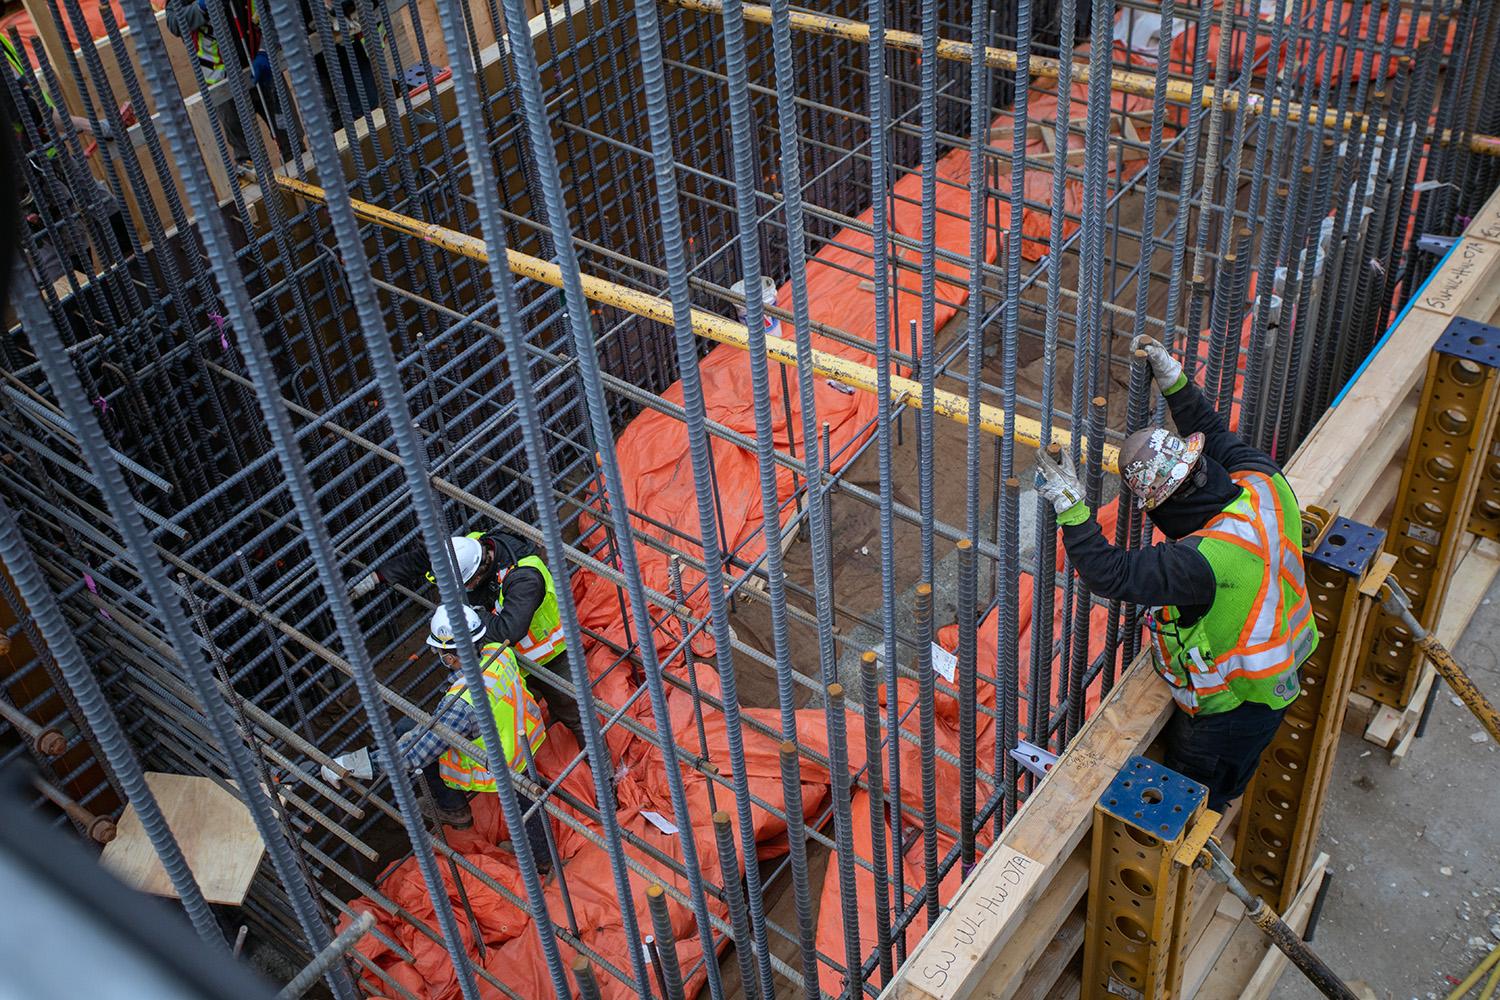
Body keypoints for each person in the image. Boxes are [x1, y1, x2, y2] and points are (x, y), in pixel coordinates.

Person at [1032, 334, 1318, 812]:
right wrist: (1174, 380)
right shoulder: (1262, 482)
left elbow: (1110, 573)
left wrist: (1070, 507)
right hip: (1290, 657)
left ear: (1167, 508)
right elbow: (1214, 431)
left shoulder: (1202, 560)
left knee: (1192, 801)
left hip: (1234, 703)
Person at [322, 605, 552, 866]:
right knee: (528, 805)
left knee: (520, 804)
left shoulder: (461, 705)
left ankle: (457, 811)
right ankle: (541, 858)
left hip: (500, 761)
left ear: (450, 658)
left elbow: (414, 754)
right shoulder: (499, 654)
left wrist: (353, 765)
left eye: (440, 652)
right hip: (524, 739)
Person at [351, 530, 587, 750]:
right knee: (515, 710)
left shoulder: (525, 577)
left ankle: (600, 766)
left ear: (477, 576)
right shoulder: (470, 547)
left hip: (547, 655)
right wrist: (375, 578)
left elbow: (509, 630)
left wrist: (470, 615)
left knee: (572, 711)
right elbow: (420, 560)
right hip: (505, 658)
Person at [164, 0, 291, 162]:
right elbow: (174, 22)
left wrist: (267, 49)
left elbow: (274, 9)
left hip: (263, 69)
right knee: (247, 157)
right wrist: (202, 7)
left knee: (291, 140)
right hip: (223, 84)